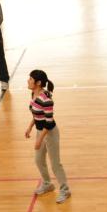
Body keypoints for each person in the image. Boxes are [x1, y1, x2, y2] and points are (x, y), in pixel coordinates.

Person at [23, 69, 70, 204]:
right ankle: (48, 184)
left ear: (38, 83)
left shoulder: (46, 100)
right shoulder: (34, 94)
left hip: (50, 133)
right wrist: (30, 127)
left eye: (30, 79)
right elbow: (36, 114)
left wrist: (39, 139)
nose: (28, 81)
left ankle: (65, 190)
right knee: (38, 160)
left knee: (55, 164)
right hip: (40, 131)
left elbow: (48, 122)